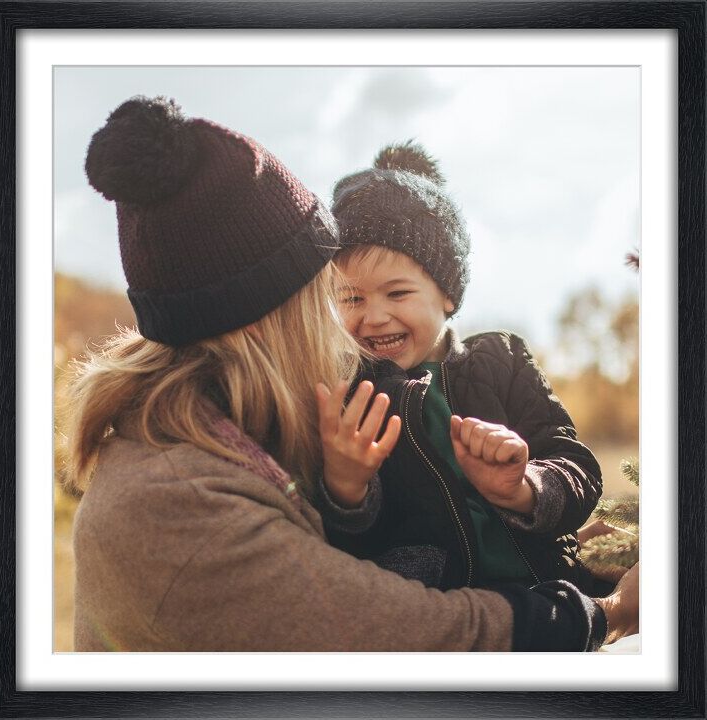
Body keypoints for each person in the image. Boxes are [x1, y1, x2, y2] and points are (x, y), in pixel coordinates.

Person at [68, 95, 636, 653]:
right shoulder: (185, 505)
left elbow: (565, 459)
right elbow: (399, 633)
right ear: (264, 318)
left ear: (448, 294)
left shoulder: (238, 427)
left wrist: (534, 497)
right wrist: (608, 615)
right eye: (335, 291)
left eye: (397, 292)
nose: (358, 318)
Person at [318, 142, 612, 596]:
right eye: (353, 298)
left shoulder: (501, 360)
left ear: (447, 295)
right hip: (439, 613)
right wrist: (345, 486)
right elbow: (342, 545)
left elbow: (578, 467)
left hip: (552, 592)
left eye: (397, 294)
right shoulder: (349, 392)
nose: (374, 317)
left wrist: (524, 487)